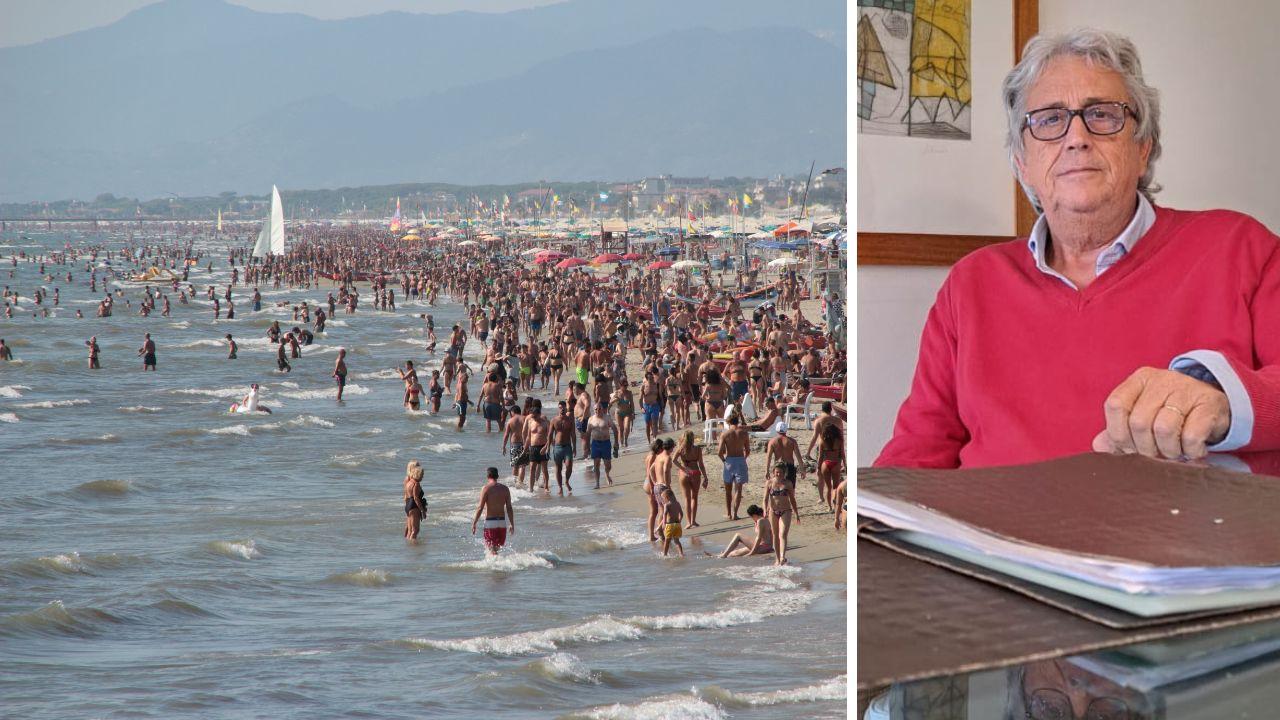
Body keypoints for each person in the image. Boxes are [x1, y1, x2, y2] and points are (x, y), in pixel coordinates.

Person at [877, 28, 1280, 469]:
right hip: (993, 535)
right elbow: (914, 458)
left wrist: (1224, 404)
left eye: (1103, 115)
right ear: (1023, 164)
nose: (1076, 137)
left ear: (1143, 147)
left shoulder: (1240, 249)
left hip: (1183, 534)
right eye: (1049, 119)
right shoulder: (970, 284)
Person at [762, 461, 799, 566]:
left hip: (786, 511)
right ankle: (777, 559)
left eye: (781, 472)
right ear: (773, 472)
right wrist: (765, 509)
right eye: (777, 472)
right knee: (775, 534)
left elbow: (792, 499)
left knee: (782, 534)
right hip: (773, 511)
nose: (779, 474)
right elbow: (764, 499)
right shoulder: (769, 483)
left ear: (784, 473)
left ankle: (783, 556)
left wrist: (796, 513)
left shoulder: (788, 483)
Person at [470, 467, 514, 555]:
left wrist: (474, 523)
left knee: (491, 550)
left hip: (491, 523)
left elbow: (480, 508)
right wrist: (512, 524)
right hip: (502, 522)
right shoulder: (505, 489)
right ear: (497, 476)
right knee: (496, 549)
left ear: (488, 476)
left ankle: (495, 567)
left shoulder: (486, 488)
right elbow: (509, 508)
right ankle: (499, 565)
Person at [717, 414, 750, 520]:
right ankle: (735, 513)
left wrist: (724, 461)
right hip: (740, 460)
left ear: (728, 422)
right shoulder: (744, 433)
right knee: (738, 489)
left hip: (729, 460)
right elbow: (748, 450)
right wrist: (743, 459)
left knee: (728, 490)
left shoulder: (725, 434)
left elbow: (719, 452)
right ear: (737, 421)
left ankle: (728, 513)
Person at [672, 430, 707, 528]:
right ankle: (693, 521)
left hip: (684, 474)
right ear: (693, 438)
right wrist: (705, 477)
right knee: (694, 498)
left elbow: (673, 460)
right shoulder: (697, 449)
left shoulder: (680, 449)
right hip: (695, 473)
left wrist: (683, 468)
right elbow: (701, 464)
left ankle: (688, 522)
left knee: (686, 499)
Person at [585, 401, 620, 488]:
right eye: (596, 409)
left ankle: (607, 473)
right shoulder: (591, 419)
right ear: (594, 410)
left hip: (606, 443)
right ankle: (597, 483)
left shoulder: (607, 418)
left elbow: (615, 430)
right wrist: (587, 447)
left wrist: (616, 442)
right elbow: (588, 433)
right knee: (596, 464)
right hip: (595, 443)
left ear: (602, 409)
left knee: (608, 465)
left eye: (599, 408)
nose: (598, 410)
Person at [549, 400, 577, 494]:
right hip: (557, 447)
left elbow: (573, 434)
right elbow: (549, 435)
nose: (562, 409)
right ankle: (560, 487)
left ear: (566, 408)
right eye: (560, 407)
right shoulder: (554, 420)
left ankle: (567, 481)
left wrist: (575, 447)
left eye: (563, 407)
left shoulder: (570, 420)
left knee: (569, 466)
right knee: (558, 468)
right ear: (558, 408)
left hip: (567, 446)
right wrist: (548, 447)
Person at [403, 460, 427, 540]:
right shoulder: (413, 482)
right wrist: (422, 510)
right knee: (415, 530)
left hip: (409, 504)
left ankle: (407, 544)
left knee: (411, 529)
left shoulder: (411, 481)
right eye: (417, 466)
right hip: (413, 505)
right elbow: (415, 497)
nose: (419, 468)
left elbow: (407, 494)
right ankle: (413, 546)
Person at [660, 488, 684, 558]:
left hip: (669, 525)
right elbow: (681, 514)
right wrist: (679, 521)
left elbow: (664, 514)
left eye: (663, 498)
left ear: (667, 497)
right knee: (677, 541)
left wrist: (664, 524)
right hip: (677, 524)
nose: (663, 500)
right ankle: (681, 554)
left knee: (667, 541)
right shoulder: (677, 503)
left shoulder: (667, 505)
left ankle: (664, 554)